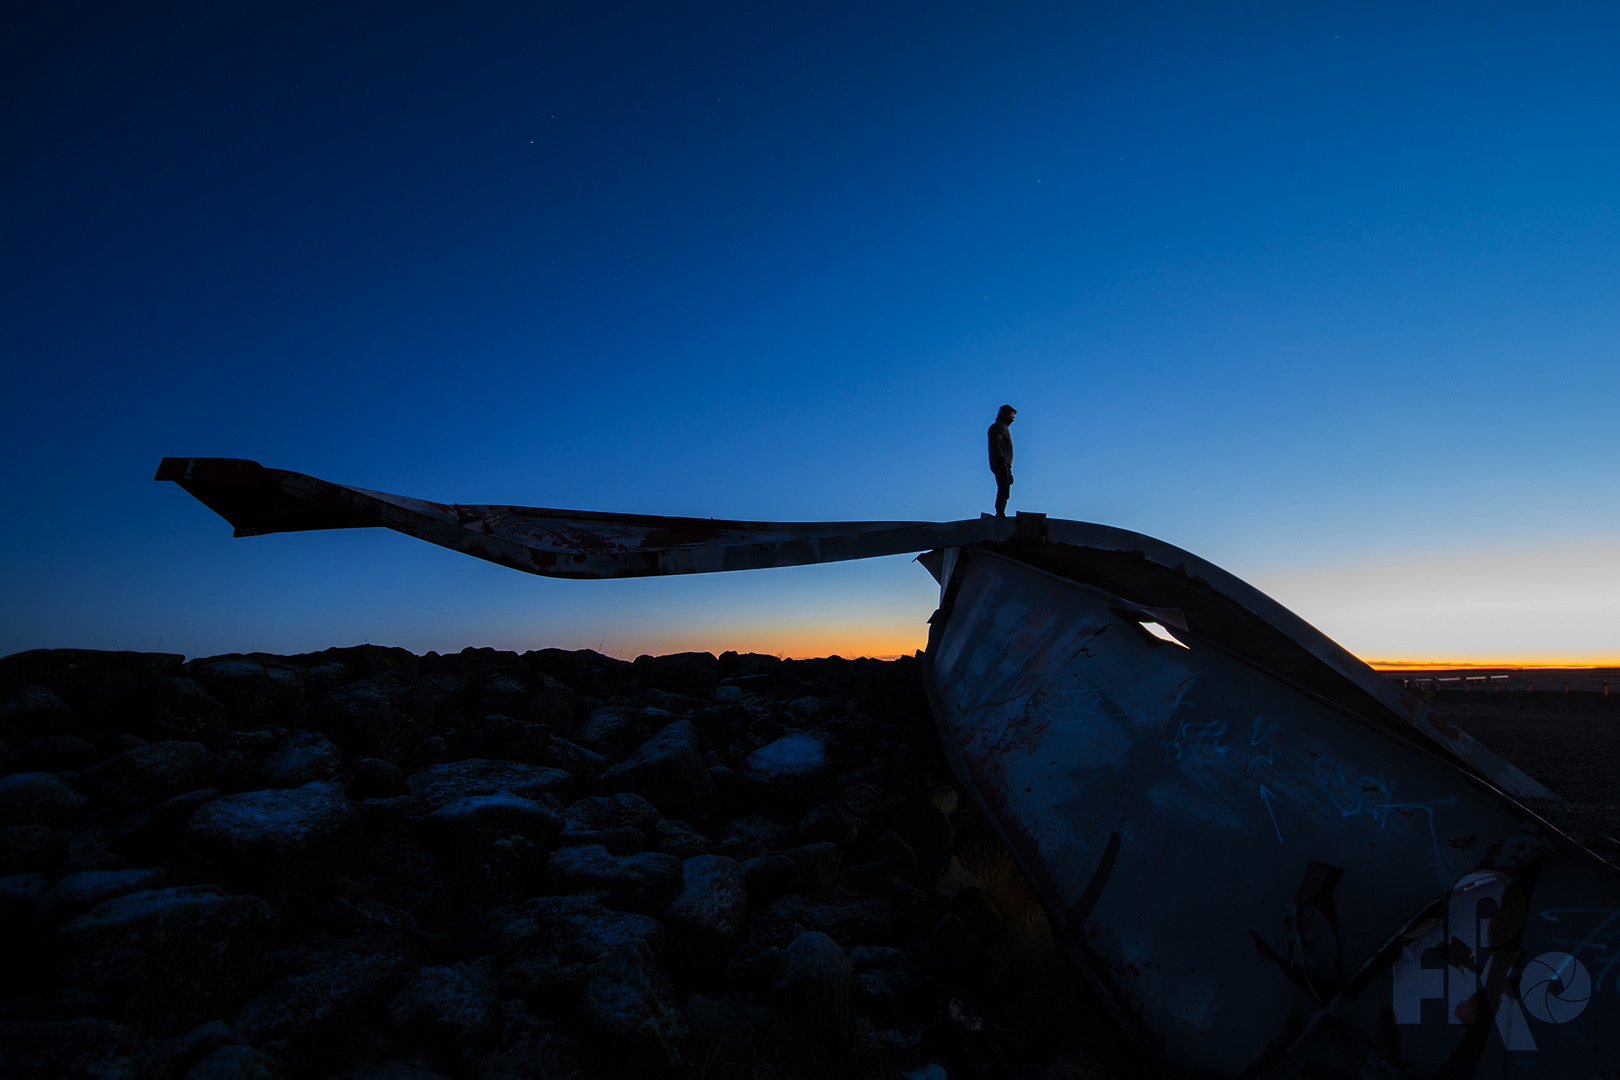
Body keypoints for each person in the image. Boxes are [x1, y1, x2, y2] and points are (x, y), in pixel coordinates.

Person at [988, 404, 1016, 517]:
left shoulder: (1003, 428)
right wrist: (1001, 461)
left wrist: (1009, 470)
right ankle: (1000, 513)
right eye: (1011, 415)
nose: (1013, 418)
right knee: (1003, 490)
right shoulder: (998, 427)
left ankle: (1000, 512)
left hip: (1004, 464)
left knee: (1005, 489)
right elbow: (996, 444)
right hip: (1001, 463)